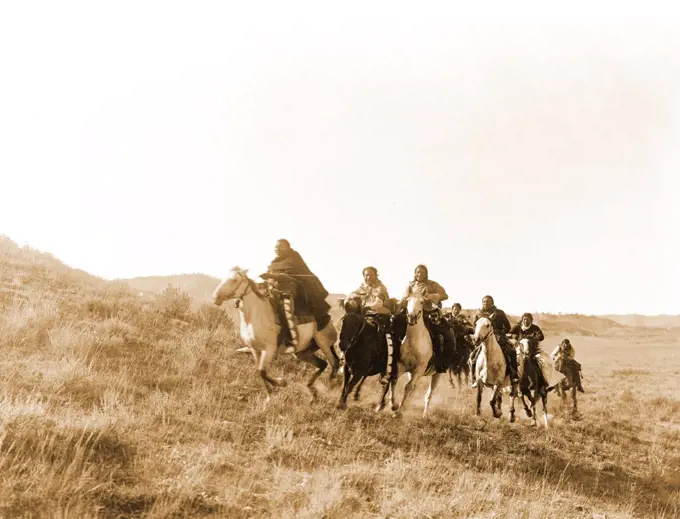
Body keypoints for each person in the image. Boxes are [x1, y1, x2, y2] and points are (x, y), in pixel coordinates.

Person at [261, 239, 331, 354]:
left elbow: (291, 278)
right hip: (273, 292)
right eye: (275, 247)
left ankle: (288, 340)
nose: (277, 249)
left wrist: (273, 276)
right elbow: (269, 280)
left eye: (280, 247)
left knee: (284, 308)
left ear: (288, 247)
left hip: (292, 293)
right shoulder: (273, 263)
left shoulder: (294, 259)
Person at [402, 264, 454, 373]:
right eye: (417, 272)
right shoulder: (410, 285)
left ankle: (440, 362)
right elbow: (404, 298)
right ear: (414, 273)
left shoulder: (432, 284)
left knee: (445, 335)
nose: (419, 274)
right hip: (412, 315)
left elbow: (445, 295)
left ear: (426, 274)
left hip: (430, 314)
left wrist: (431, 296)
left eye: (422, 272)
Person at [347, 266, 394, 384]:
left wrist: (367, 307)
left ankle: (386, 371)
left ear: (376, 275)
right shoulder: (363, 287)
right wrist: (349, 300)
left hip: (380, 316)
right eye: (366, 275)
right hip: (366, 316)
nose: (368, 277)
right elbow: (353, 293)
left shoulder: (380, 287)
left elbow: (378, 303)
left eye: (371, 274)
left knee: (386, 339)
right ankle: (345, 360)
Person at [470, 295, 517, 391]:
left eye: (488, 301)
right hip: (483, 338)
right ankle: (475, 379)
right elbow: (475, 326)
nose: (485, 303)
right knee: (472, 356)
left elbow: (507, 327)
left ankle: (514, 375)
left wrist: (499, 332)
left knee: (511, 351)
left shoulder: (499, 313)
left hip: (499, 337)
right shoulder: (479, 314)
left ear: (492, 303)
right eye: (484, 301)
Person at [508, 313, 548, 385]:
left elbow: (541, 337)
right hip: (519, 348)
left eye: (528, 319)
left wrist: (532, 338)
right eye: (524, 319)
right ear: (522, 320)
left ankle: (543, 380)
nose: (526, 321)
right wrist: (513, 336)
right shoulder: (517, 327)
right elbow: (508, 334)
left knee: (543, 362)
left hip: (533, 350)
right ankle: (511, 378)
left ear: (531, 320)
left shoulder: (535, 328)